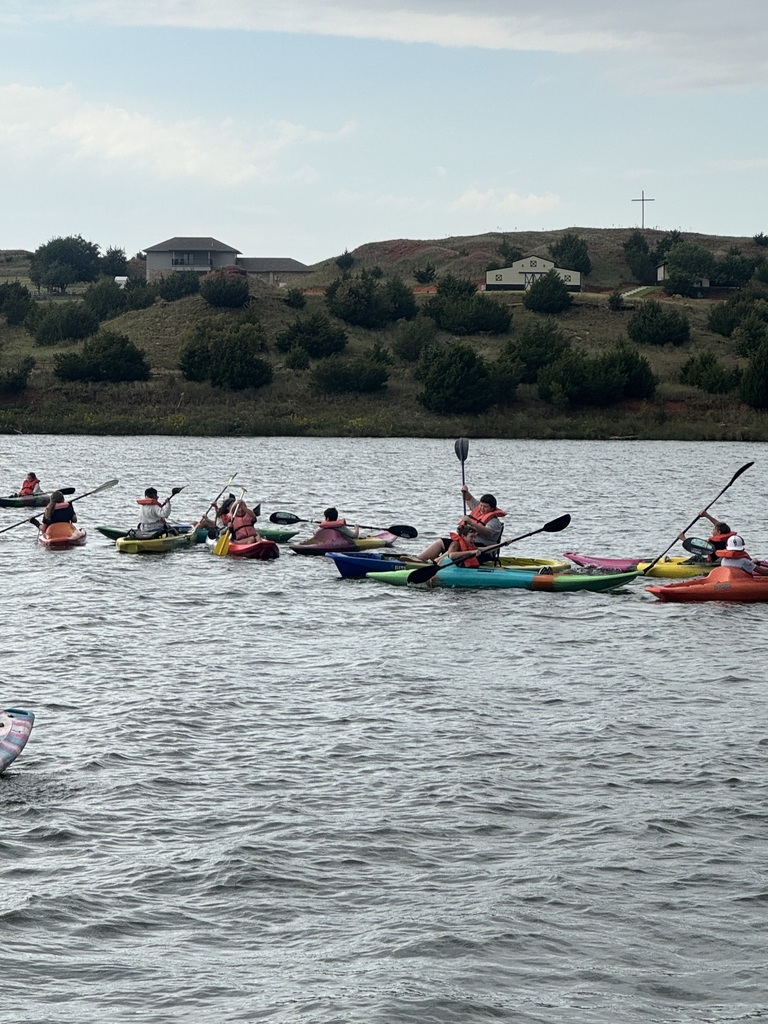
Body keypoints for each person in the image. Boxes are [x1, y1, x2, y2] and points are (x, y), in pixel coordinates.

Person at [415, 485, 507, 564]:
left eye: (485, 507)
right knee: (441, 542)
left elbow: (487, 532)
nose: (482, 508)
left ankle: (436, 562)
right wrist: (465, 491)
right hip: (467, 544)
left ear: (492, 508)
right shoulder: (479, 509)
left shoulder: (494, 522)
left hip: (483, 550)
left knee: (456, 545)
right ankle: (419, 559)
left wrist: (471, 523)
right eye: (481, 506)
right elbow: (469, 499)